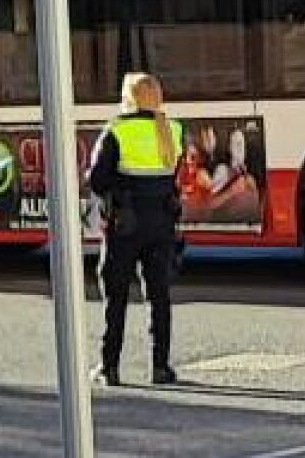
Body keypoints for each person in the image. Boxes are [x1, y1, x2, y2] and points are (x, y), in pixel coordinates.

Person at [88, 72, 184, 387]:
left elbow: (97, 179)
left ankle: (109, 366)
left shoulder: (117, 129)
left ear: (128, 97)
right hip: (162, 222)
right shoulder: (173, 130)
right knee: (159, 296)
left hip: (126, 223)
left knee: (115, 296)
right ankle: (161, 367)